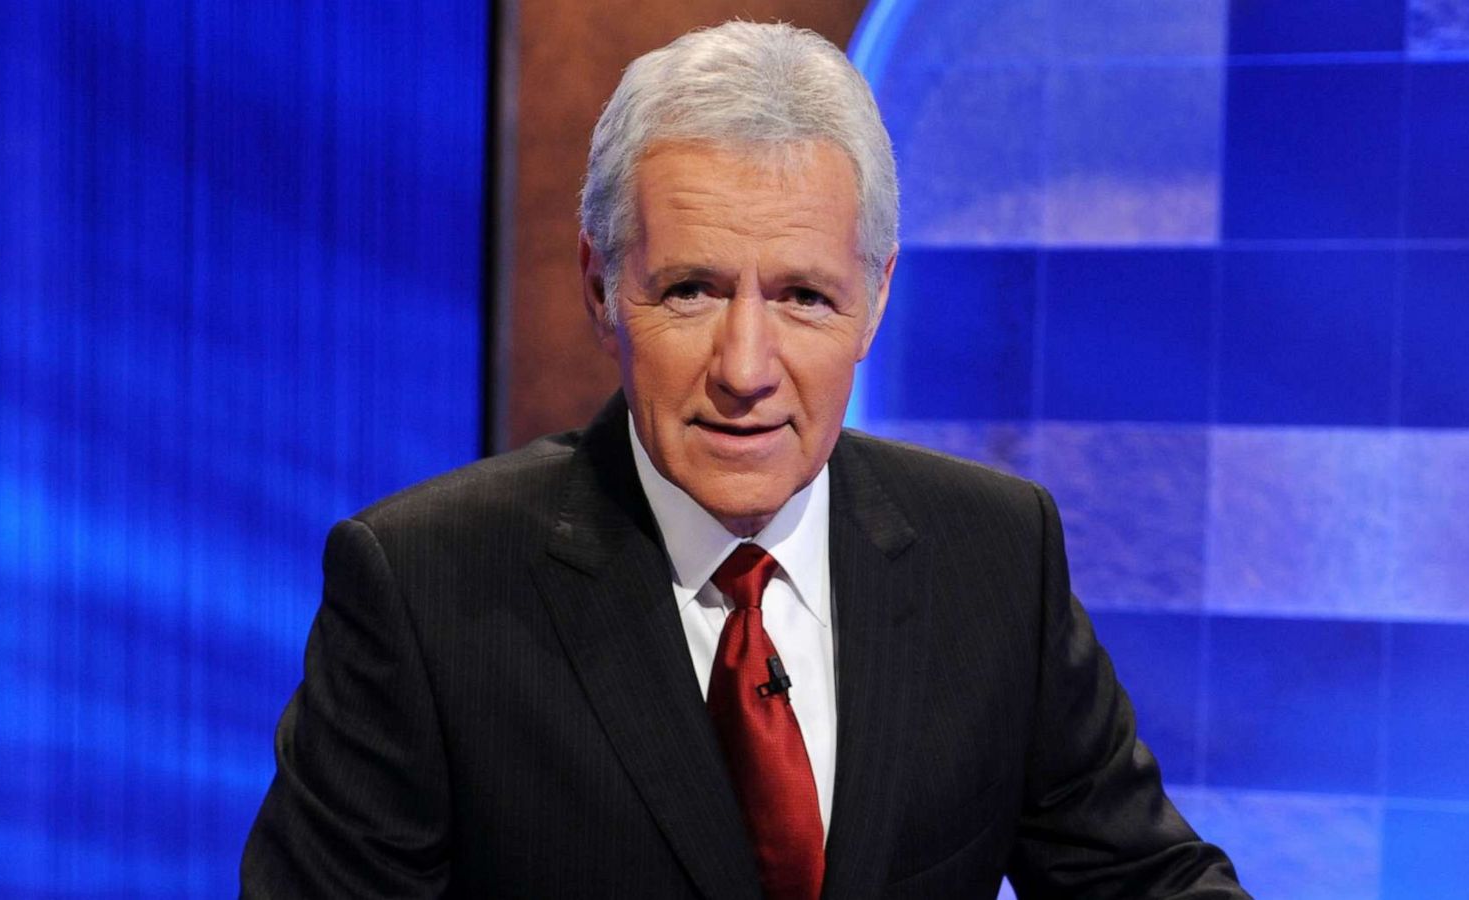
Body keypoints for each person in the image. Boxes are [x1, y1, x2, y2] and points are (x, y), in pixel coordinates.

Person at [242, 21, 1247, 899]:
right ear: (601, 290)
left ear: (875, 299)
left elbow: (1142, 879)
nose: (746, 368)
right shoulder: (424, 586)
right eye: (691, 290)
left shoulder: (994, 553)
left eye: (804, 296)